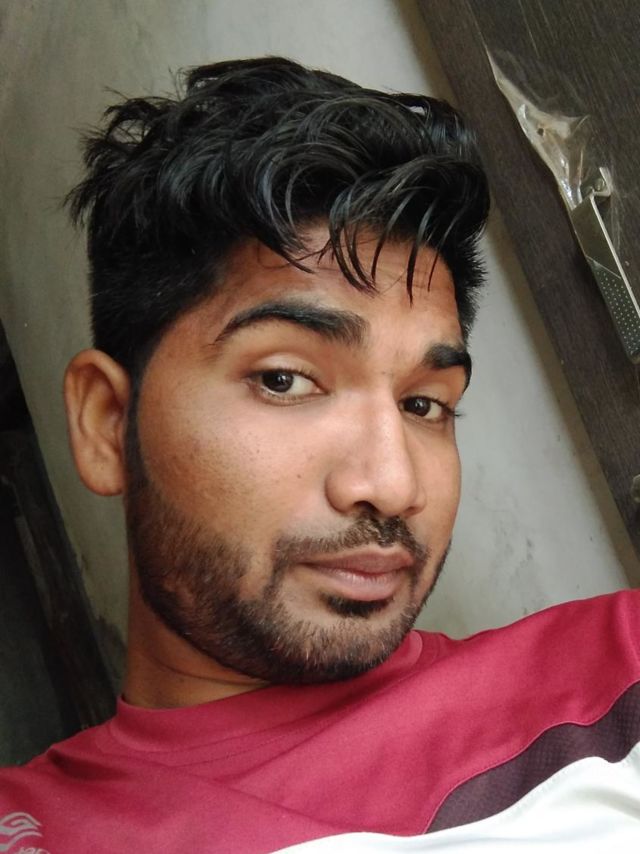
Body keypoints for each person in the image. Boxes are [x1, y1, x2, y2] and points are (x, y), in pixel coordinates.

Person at [1, 57, 638, 854]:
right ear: (105, 426)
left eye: (424, 405)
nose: (392, 484)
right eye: (285, 379)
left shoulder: (616, 677)